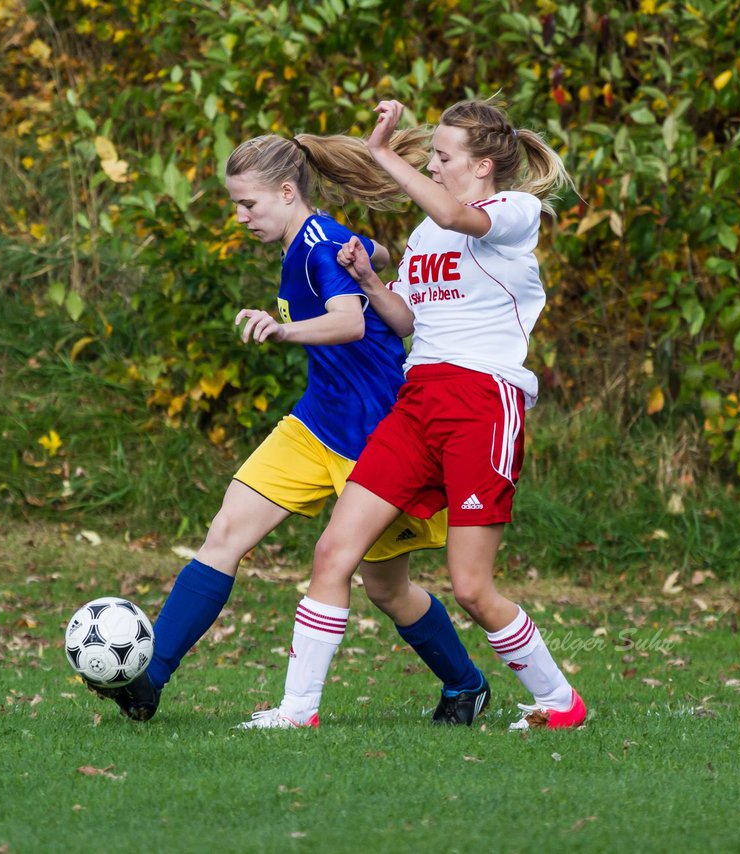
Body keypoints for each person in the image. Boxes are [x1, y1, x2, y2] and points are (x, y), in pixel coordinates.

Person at [90, 132, 491, 726]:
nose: (240, 216)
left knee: (386, 587)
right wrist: (374, 257)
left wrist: (283, 331)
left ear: (285, 191)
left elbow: (349, 323)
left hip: (374, 440)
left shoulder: (318, 246)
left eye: (248, 203)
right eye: (234, 204)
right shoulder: (318, 239)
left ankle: (466, 683)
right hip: (313, 424)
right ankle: (151, 680)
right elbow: (377, 252)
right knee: (225, 532)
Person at [239, 98, 586, 731]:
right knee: (333, 553)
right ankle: (297, 712)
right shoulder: (426, 235)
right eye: (430, 156)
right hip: (416, 401)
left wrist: (378, 155)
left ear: (483, 166)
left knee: (473, 589)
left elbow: (454, 211)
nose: (432, 164)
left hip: (482, 403)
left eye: (443, 156)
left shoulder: (512, 210)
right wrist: (372, 282)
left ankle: (559, 702)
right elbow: (406, 323)